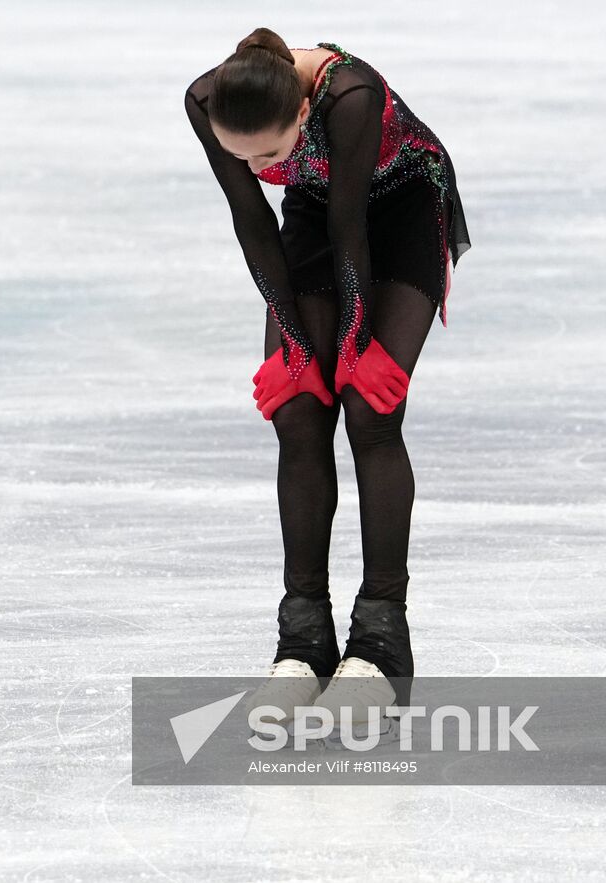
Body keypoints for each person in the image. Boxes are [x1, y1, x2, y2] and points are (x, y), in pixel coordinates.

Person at [183, 28, 471, 726]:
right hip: (317, 213)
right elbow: (253, 221)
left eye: (270, 154)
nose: (254, 165)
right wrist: (296, 349)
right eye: (239, 155)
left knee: (370, 409)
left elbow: (356, 232)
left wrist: (352, 346)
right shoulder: (206, 99)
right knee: (299, 411)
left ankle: (381, 641)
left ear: (303, 117)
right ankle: (303, 639)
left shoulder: (350, 94)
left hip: (402, 208)